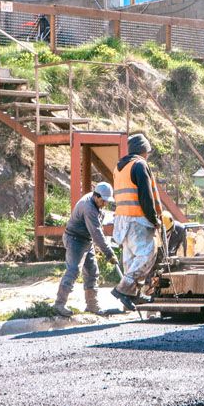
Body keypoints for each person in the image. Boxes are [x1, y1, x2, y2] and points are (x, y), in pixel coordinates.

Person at [111, 133, 162, 311]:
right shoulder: (140, 165)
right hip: (138, 219)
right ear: (143, 150)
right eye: (147, 151)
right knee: (147, 255)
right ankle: (123, 289)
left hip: (122, 220)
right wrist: (154, 219)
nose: (148, 155)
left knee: (130, 259)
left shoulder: (119, 168)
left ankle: (133, 295)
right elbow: (146, 197)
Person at [53, 182, 117, 317]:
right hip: (75, 240)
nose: (105, 204)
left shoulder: (95, 202)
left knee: (92, 272)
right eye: (103, 201)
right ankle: (59, 304)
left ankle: (92, 305)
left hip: (86, 240)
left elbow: (96, 230)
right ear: (96, 196)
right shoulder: (88, 208)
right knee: (74, 269)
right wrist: (109, 253)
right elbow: (96, 232)